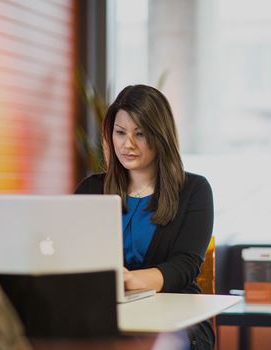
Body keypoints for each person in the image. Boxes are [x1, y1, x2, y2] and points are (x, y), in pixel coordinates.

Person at [75, 84, 215, 349]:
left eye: (140, 134)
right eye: (120, 133)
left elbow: (185, 266)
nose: (128, 144)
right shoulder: (91, 189)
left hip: (175, 319)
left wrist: (129, 281)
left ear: (160, 136)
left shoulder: (194, 191)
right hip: (105, 315)